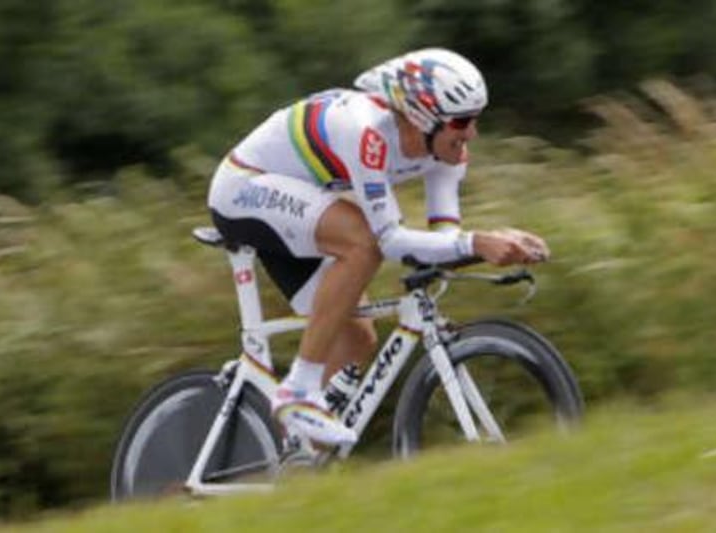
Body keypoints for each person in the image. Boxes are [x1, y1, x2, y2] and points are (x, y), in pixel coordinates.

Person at [207, 48, 550, 446]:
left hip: (297, 208)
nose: (471, 133)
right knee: (363, 244)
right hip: (244, 188)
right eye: (462, 121)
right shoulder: (366, 132)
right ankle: (297, 391)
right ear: (423, 117)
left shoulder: (448, 152)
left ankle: (290, 455)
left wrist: (498, 244)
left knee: (358, 340)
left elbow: (439, 245)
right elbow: (389, 241)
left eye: (476, 119)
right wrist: (477, 241)